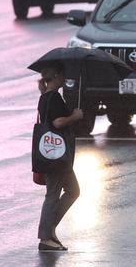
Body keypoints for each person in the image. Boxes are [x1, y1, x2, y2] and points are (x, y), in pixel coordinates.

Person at [36, 65, 83, 251]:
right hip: (55, 155)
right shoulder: (53, 97)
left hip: (53, 152)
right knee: (53, 194)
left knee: (73, 190)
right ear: (56, 76)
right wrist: (75, 116)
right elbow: (58, 122)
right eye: (63, 74)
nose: (65, 78)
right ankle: (45, 237)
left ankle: (50, 228)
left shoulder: (45, 97)